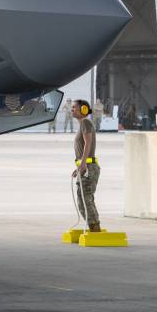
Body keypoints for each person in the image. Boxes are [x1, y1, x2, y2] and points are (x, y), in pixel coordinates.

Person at [71, 99, 101, 232]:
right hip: (84, 166)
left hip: (88, 167)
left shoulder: (85, 122)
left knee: (86, 199)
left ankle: (95, 229)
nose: (72, 110)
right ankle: (93, 227)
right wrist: (78, 166)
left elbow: (88, 143)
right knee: (82, 199)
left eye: (74, 107)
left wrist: (83, 164)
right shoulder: (83, 124)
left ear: (83, 110)